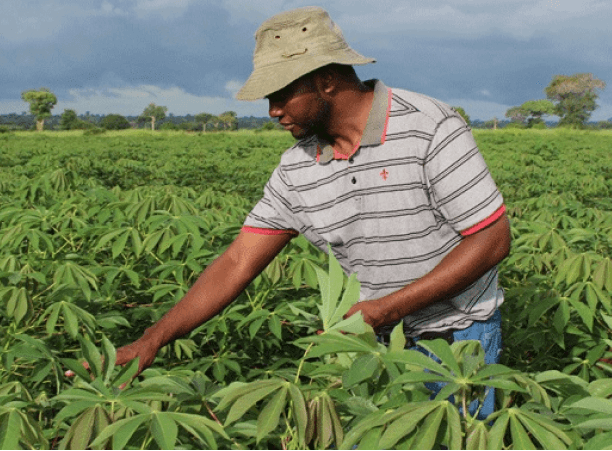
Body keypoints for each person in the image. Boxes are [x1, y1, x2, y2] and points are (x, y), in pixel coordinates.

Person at [106, 6, 511, 419]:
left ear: (327, 80)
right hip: (370, 345)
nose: (273, 111)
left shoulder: (430, 127)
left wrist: (387, 307)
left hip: (456, 338)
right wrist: (153, 339)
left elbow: (491, 240)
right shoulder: (297, 167)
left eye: (281, 94)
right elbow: (238, 261)